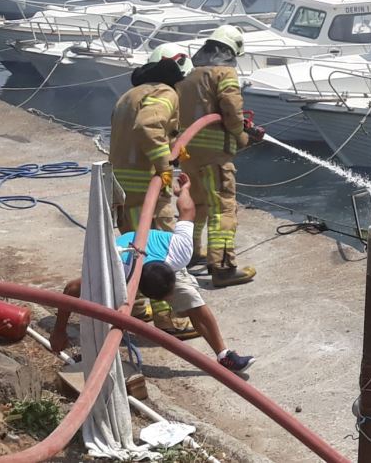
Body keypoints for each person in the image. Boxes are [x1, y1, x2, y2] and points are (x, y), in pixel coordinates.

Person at [50, 174, 255, 373]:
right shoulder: (114, 270)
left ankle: (223, 355)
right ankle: (92, 353)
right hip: (126, 258)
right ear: (144, 292)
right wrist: (59, 331)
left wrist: (183, 190)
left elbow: (187, 210)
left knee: (193, 301)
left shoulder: (180, 251)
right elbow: (71, 290)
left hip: (162, 255)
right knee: (103, 312)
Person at [109, 42, 195, 339]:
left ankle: (136, 307)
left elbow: (135, 137)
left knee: (134, 249)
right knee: (160, 252)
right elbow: (147, 126)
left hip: (123, 187)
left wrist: (172, 153)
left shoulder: (129, 95)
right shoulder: (164, 92)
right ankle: (170, 319)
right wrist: (164, 168)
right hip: (148, 189)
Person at [176, 25, 260, 287]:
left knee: (198, 206)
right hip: (215, 157)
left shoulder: (189, 75)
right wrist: (243, 136)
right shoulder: (225, 73)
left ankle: (189, 254)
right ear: (230, 51)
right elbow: (232, 110)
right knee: (222, 209)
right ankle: (222, 267)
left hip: (189, 155)